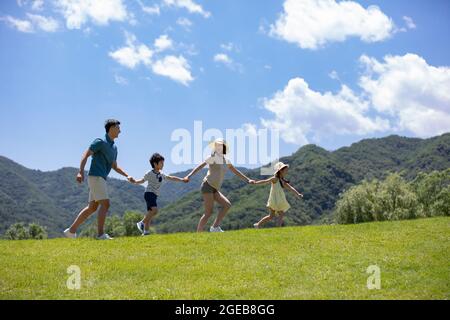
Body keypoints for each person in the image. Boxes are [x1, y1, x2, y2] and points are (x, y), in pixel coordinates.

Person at [64, 119, 135, 240]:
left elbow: (114, 166)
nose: (120, 131)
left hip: (100, 178)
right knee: (106, 204)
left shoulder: (114, 148)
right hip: (95, 176)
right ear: (111, 128)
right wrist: (80, 172)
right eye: (118, 128)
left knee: (92, 208)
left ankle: (71, 231)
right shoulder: (100, 142)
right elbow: (85, 155)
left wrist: (126, 175)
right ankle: (101, 234)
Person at [184, 138, 255, 232]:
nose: (218, 147)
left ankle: (215, 227)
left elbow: (236, 172)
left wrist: (248, 180)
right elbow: (200, 166)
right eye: (217, 146)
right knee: (208, 212)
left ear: (224, 147)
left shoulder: (226, 161)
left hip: (215, 188)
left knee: (227, 205)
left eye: (220, 146)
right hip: (207, 185)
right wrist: (189, 175)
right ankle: (199, 233)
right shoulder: (212, 157)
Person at [133, 153, 188, 236]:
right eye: (161, 163)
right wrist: (135, 181)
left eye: (163, 163)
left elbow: (170, 177)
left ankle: (146, 232)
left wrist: (181, 179)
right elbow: (142, 180)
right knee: (154, 210)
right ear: (155, 164)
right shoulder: (149, 173)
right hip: (149, 193)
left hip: (154, 195)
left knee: (150, 212)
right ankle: (141, 223)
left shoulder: (161, 174)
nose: (163, 164)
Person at [253, 162, 303, 229]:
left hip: (279, 199)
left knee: (272, 216)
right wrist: (256, 182)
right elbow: (265, 181)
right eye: (285, 170)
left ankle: (258, 225)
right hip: (275, 199)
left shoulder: (282, 180)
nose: (286, 172)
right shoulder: (275, 179)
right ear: (281, 171)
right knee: (279, 214)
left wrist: (297, 194)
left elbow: (290, 188)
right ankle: (277, 228)